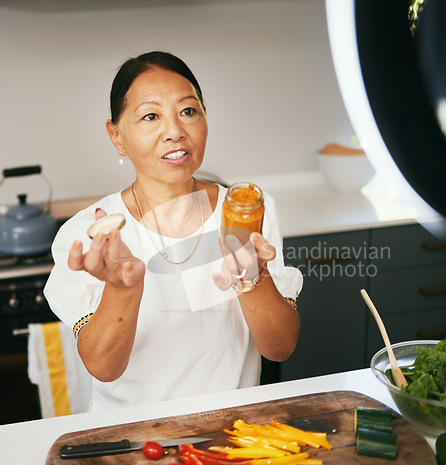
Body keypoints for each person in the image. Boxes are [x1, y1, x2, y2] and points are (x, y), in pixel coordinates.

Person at [44, 51, 302, 412]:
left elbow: (280, 348)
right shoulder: (90, 233)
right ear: (117, 136)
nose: (175, 131)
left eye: (188, 111)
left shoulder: (246, 210)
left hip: (230, 432)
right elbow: (103, 367)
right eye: (151, 116)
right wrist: (123, 289)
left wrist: (250, 276)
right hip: (133, 438)